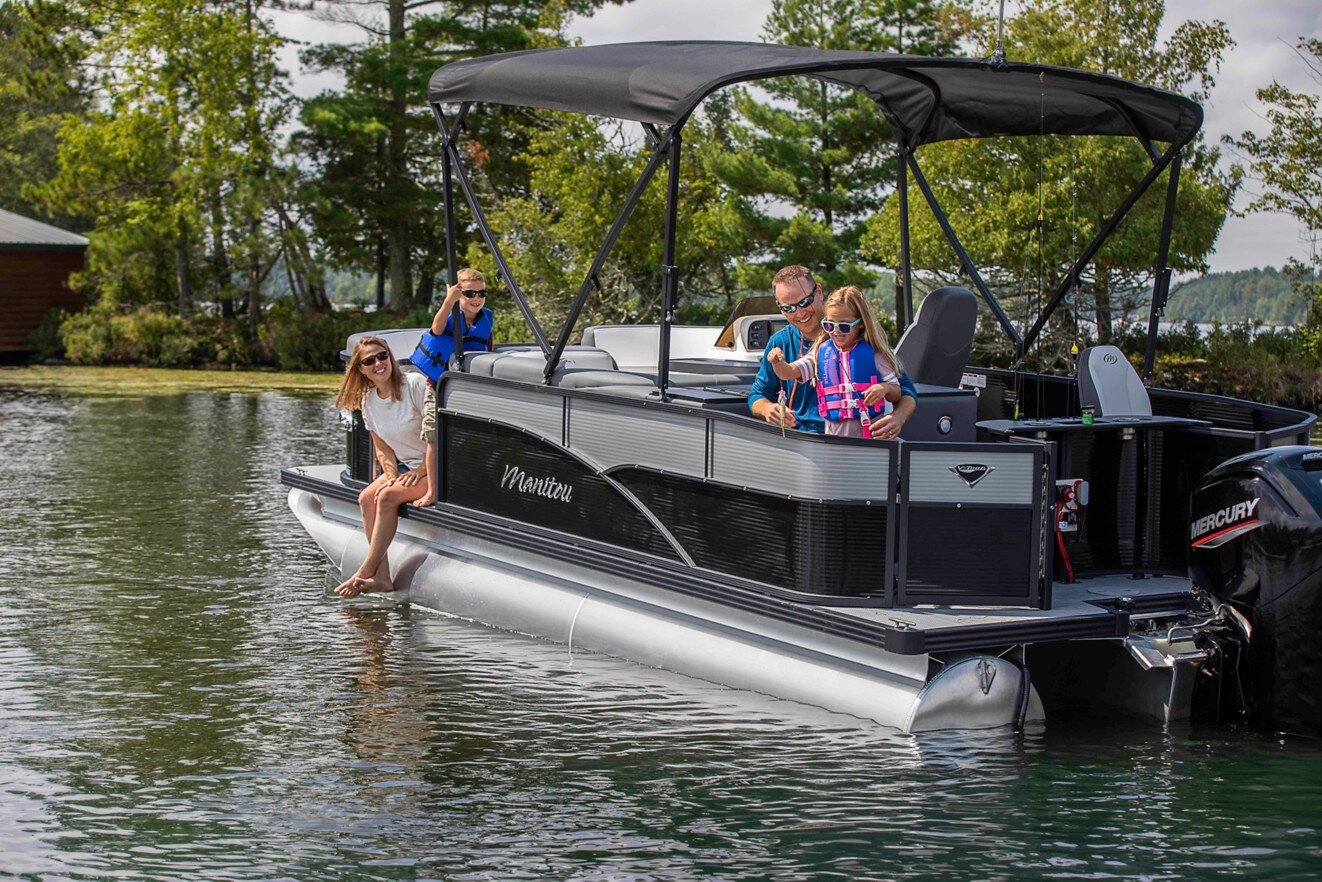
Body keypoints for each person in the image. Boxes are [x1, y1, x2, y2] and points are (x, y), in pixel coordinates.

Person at [748, 265, 917, 440]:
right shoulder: (779, 343)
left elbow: (906, 391)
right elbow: (758, 395)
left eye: (804, 302)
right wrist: (768, 409)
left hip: (861, 440)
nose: (799, 313)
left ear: (819, 292)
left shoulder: (866, 343)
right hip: (802, 440)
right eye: (788, 308)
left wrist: (897, 418)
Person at [332, 336, 430, 597]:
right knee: (366, 497)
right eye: (369, 360)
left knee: (387, 497)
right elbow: (381, 446)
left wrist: (422, 470)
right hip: (407, 468)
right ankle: (383, 577)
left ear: (390, 357)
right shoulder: (369, 401)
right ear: (361, 369)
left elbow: (438, 435)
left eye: (382, 355)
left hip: (435, 466)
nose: (378, 363)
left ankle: (365, 570)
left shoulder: (414, 385)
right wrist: (389, 473)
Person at [410, 267, 494, 507]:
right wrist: (449, 301)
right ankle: (433, 491)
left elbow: (488, 347)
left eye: (481, 293)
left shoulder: (486, 317)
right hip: (440, 387)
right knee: (434, 438)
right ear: (459, 295)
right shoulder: (450, 314)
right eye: (469, 293)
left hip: (467, 389)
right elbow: (436, 329)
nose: (476, 298)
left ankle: (467, 486)